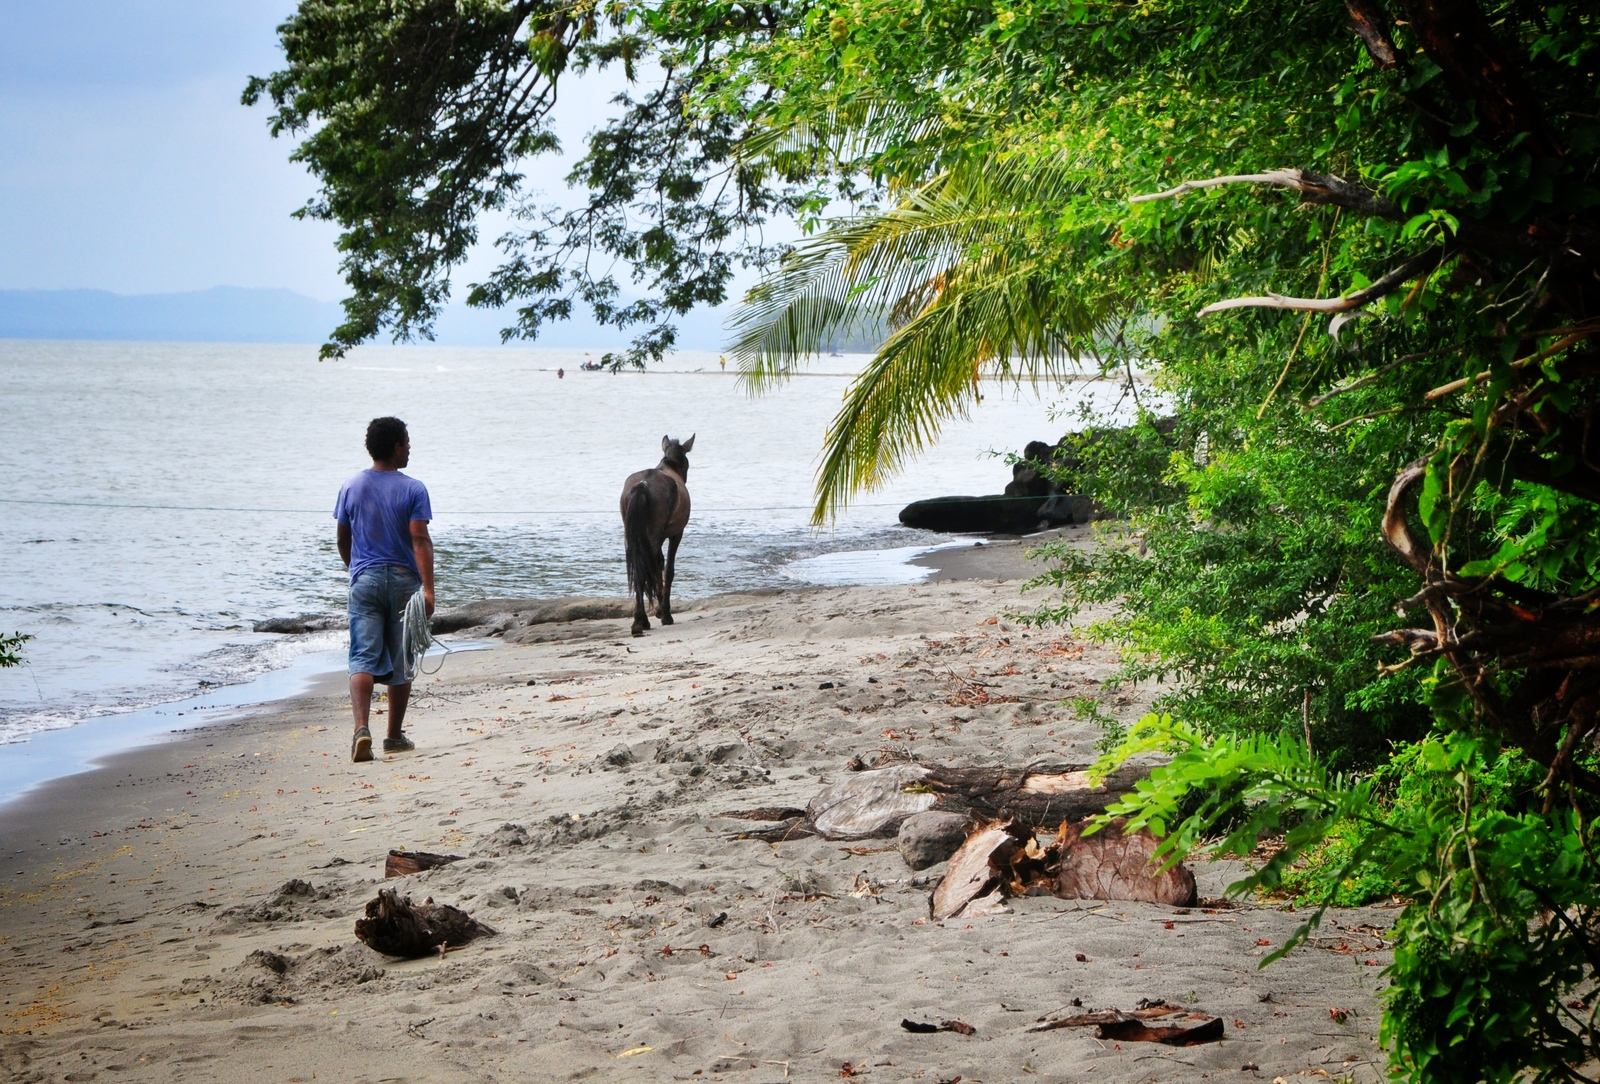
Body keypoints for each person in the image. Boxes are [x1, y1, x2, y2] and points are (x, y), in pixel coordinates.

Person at [334, 416, 435, 763]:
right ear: (395, 447)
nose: (409, 447)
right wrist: (429, 590)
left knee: (362, 655)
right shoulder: (413, 489)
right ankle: (393, 736)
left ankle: (361, 730)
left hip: (365, 580)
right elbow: (419, 539)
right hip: (404, 582)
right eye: (406, 441)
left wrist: (355, 569)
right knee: (400, 658)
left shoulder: (351, 486)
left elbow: (342, 538)